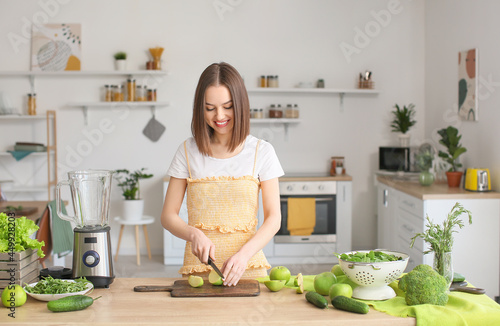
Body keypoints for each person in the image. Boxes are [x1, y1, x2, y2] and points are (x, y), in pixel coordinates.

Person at [161, 62, 284, 286]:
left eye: (228, 106)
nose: (219, 116)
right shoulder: (187, 151)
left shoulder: (262, 151)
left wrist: (244, 256)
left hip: (247, 269)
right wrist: (193, 234)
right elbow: (168, 216)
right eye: (210, 108)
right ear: (201, 109)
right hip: (199, 271)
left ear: (240, 104)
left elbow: (274, 218)